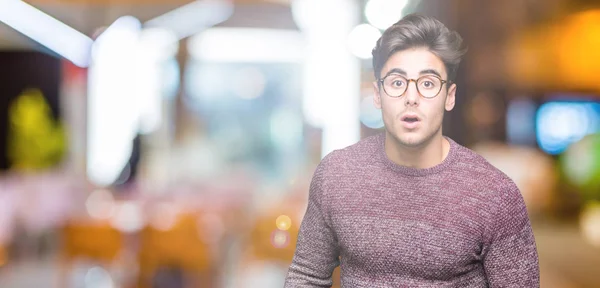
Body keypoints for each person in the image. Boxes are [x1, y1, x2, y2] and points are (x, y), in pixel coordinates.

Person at [284, 14, 539, 287]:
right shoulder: (337, 175)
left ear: (449, 97)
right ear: (378, 95)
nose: (411, 97)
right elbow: (306, 276)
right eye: (397, 82)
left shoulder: (495, 193)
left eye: (427, 83)